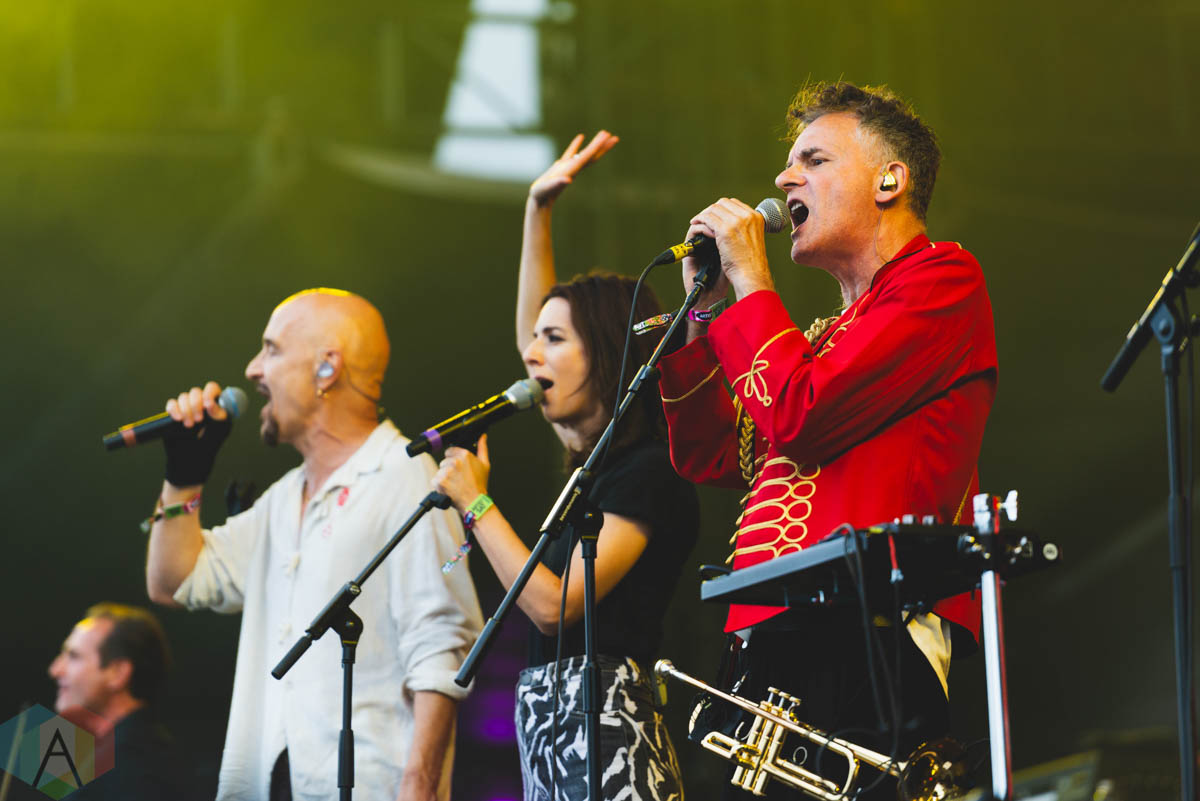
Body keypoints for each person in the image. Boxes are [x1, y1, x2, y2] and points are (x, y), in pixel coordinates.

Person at [658, 82, 998, 799]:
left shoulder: (942, 280)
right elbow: (713, 452)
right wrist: (704, 316)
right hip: (771, 637)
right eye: (790, 163)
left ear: (888, 180)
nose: (785, 179)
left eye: (813, 160)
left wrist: (752, 279)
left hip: (868, 633)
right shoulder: (820, 337)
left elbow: (801, 416)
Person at [432, 132, 699, 801]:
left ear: (602, 357)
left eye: (554, 340)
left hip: (612, 741)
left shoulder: (646, 470)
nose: (532, 355)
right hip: (553, 740)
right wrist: (537, 211)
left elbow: (555, 607)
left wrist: (477, 503)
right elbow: (535, 338)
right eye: (536, 340)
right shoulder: (592, 469)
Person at [143, 288, 484, 801]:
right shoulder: (282, 500)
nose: (253, 369)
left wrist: (418, 789)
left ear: (327, 368)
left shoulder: (406, 477)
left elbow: (440, 649)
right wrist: (182, 478)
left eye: (272, 349)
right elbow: (174, 581)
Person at [48, 603, 192, 800]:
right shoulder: (117, 753)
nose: (55, 670)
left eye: (74, 656)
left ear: (118, 673)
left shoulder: (135, 763)